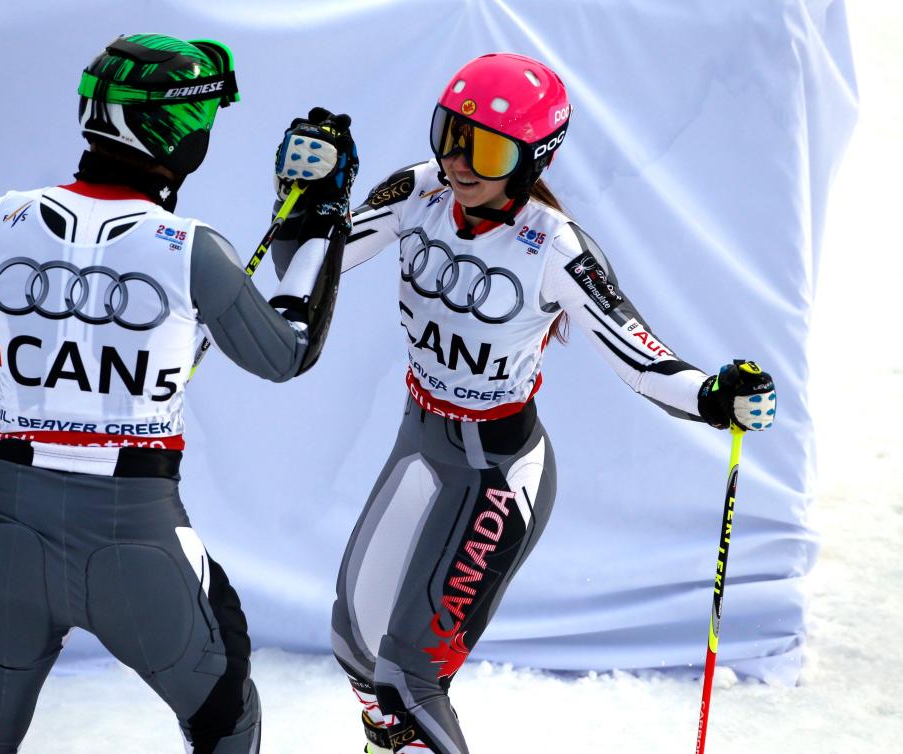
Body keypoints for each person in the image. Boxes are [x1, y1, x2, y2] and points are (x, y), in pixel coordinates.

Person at [0, 34, 357, 754]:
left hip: (12, 541)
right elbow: (286, 355)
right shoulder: (191, 246)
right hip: (141, 544)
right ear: (179, 133)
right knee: (226, 723)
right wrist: (316, 218)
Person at [273, 53, 777, 754]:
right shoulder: (416, 193)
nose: (458, 160)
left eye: (484, 147)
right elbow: (309, 271)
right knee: (357, 649)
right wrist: (309, 205)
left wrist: (714, 394)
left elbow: (641, 357)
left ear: (534, 155)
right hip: (421, 442)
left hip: (497, 473)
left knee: (409, 680)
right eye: (448, 133)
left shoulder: (553, 246)